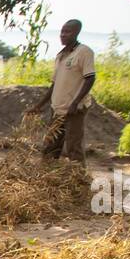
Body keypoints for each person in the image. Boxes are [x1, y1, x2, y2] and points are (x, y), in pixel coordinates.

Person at [26, 19, 96, 164]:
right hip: (57, 108)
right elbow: (54, 85)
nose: (63, 35)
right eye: (62, 32)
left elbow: (90, 78)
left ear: (76, 33)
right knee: (50, 146)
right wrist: (39, 105)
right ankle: (46, 176)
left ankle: (79, 180)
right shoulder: (60, 56)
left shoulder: (84, 52)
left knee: (73, 147)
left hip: (74, 110)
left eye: (67, 32)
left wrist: (75, 102)